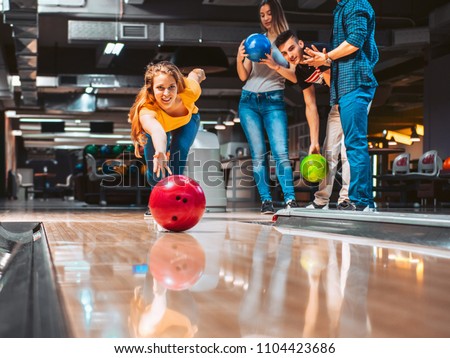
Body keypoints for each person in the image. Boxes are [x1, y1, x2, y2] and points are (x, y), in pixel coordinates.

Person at [303, 0, 379, 211]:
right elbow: (345, 53)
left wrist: (327, 56)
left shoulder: (356, 4)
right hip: (345, 88)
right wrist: (326, 61)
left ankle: (361, 201)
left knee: (355, 144)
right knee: (352, 145)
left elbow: (355, 41)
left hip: (356, 83)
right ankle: (357, 200)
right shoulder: (341, 8)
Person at [275, 30, 350, 210]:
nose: (289, 55)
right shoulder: (300, 70)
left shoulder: (319, 50)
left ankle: (347, 199)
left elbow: (336, 82)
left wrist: (322, 64)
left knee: (348, 150)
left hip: (353, 96)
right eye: (284, 53)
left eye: (291, 49)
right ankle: (321, 200)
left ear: (301, 44)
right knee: (327, 150)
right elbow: (310, 105)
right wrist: (313, 142)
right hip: (338, 103)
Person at [237, 0, 298, 215]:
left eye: (269, 13)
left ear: (277, 13)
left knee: (281, 153)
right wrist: (239, 56)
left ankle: (290, 199)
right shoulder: (255, 40)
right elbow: (243, 76)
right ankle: (266, 201)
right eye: (262, 14)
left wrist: (274, 65)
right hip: (249, 102)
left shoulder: (287, 42)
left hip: (274, 101)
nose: (265, 18)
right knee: (258, 155)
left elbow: (293, 75)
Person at [129, 61, 206, 217]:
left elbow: (196, 74)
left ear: (178, 85)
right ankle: (157, 198)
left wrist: (199, 72)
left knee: (180, 150)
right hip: (160, 127)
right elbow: (157, 131)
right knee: (156, 170)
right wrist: (161, 151)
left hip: (187, 120)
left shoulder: (190, 90)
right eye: (160, 88)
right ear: (151, 89)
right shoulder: (147, 110)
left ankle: (174, 201)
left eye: (171, 87)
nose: (166, 93)